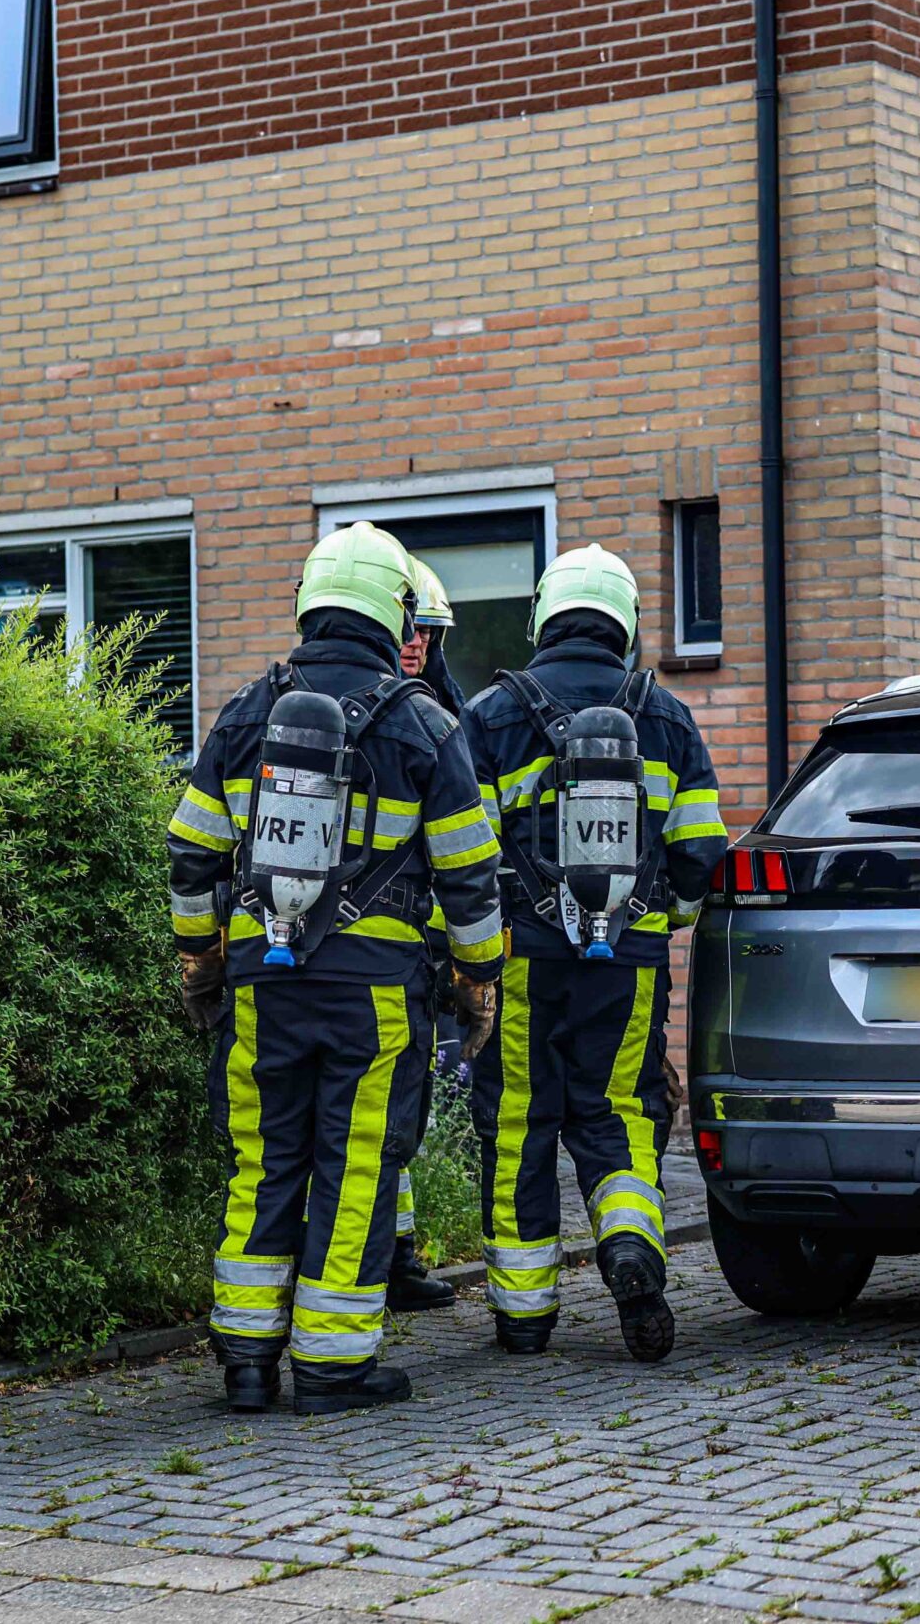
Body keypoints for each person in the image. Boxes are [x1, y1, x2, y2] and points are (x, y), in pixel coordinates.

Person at [167, 523, 503, 1415]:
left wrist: (202, 958)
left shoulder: (245, 712)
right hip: (376, 992)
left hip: (260, 983)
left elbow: (192, 851)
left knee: (263, 1160)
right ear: (391, 616)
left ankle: (245, 1359)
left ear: (311, 604)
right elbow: (469, 871)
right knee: (355, 1163)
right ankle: (331, 1364)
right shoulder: (426, 722)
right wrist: (479, 977)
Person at [464, 544, 725, 1363]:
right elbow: (702, 855)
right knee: (619, 1113)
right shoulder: (668, 717)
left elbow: (465, 851)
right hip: (631, 964)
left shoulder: (493, 714)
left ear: (545, 616)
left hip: (522, 961)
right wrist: (653, 920)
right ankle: (629, 1244)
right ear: (627, 624)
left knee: (519, 1122)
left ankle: (525, 1313)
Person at [382, 554, 471, 1314]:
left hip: (434, 951)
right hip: (387, 947)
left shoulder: (450, 721)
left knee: (408, 1109)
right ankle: (381, 1255)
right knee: (382, 1108)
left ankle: (396, 1253)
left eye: (428, 634)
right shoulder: (376, 720)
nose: (415, 643)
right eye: (408, 630)